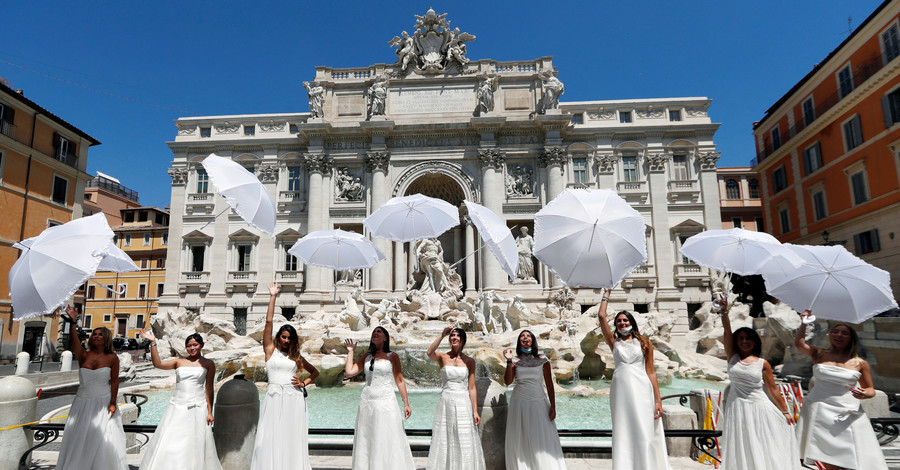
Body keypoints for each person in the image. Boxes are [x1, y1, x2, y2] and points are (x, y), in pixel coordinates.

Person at [794, 311, 888, 470]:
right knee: (819, 451)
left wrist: (865, 393)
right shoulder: (819, 353)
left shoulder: (860, 363)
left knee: (844, 453)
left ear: (851, 338)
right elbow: (799, 344)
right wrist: (804, 322)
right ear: (830, 335)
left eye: (845, 333)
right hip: (817, 407)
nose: (839, 335)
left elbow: (870, 389)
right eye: (835, 331)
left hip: (845, 412)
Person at [717, 297, 800, 470]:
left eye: (748, 338)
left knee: (760, 443)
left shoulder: (763, 363)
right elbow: (726, 331)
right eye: (740, 338)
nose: (744, 341)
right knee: (740, 443)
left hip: (757, 406)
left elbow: (773, 390)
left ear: (754, 341)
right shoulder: (733, 356)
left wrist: (785, 411)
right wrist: (724, 312)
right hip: (736, 405)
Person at [596, 290, 672, 470]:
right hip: (621, 391)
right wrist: (606, 294)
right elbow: (601, 316)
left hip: (642, 389)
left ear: (632, 323)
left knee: (644, 429)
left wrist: (658, 400)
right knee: (623, 429)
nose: (622, 323)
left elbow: (651, 371)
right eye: (619, 321)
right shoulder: (613, 342)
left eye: (626, 320)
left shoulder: (645, 342)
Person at [251, 282, 320, 470]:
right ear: (278, 337)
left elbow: (315, 372)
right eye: (283, 337)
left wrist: (303, 383)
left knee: (291, 436)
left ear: (293, 340)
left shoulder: (296, 356)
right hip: (274, 397)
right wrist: (273, 297)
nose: (286, 340)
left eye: (289, 338)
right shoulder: (270, 350)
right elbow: (268, 323)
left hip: (293, 398)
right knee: (270, 435)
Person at [56, 305, 127, 470]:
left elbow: (115, 381)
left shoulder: (112, 358)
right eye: (94, 334)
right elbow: (74, 344)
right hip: (82, 402)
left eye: (100, 334)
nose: (96, 336)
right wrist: (73, 322)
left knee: (104, 439)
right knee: (79, 437)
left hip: (103, 402)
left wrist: (113, 402)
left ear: (106, 338)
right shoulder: (83, 355)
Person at [138, 331, 221, 470]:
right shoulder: (179, 361)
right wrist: (153, 342)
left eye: (195, 344)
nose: (192, 348)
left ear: (201, 345)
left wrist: (210, 411)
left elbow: (209, 389)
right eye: (189, 346)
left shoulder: (208, 364)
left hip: (198, 406)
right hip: (177, 405)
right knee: (172, 439)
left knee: (195, 441)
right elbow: (157, 364)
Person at [344, 327, 415, 469]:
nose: (375, 333)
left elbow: (399, 380)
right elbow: (349, 372)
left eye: (379, 332)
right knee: (367, 436)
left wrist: (406, 403)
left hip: (386, 400)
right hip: (367, 400)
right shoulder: (367, 356)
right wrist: (350, 351)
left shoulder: (392, 356)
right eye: (373, 332)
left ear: (385, 338)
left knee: (386, 434)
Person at [503, 329, 566, 470]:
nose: (525, 338)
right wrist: (508, 361)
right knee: (521, 435)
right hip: (519, 400)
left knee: (540, 436)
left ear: (533, 340)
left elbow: (549, 384)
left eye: (528, 336)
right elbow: (507, 382)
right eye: (522, 336)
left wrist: (553, 406)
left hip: (538, 400)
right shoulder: (514, 360)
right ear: (519, 342)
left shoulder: (543, 359)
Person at [425, 326, 485, 470]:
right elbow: (429, 352)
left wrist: (475, 410)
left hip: (463, 401)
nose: (454, 337)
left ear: (463, 340)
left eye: (457, 335)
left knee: (464, 436)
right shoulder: (442, 357)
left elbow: (471, 387)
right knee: (445, 437)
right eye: (452, 335)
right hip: (446, 400)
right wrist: (442, 335)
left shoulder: (470, 361)